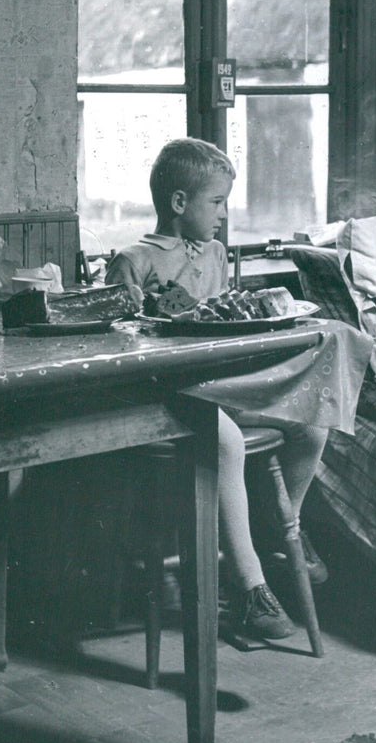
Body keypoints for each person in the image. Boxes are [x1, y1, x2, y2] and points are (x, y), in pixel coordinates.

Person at [106, 138, 328, 639]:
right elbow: (121, 344)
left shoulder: (215, 253)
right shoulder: (133, 261)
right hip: (164, 396)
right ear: (179, 204)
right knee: (226, 440)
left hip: (218, 385)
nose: (225, 214)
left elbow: (221, 320)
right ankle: (251, 587)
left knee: (312, 421)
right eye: (218, 201)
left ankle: (274, 526)